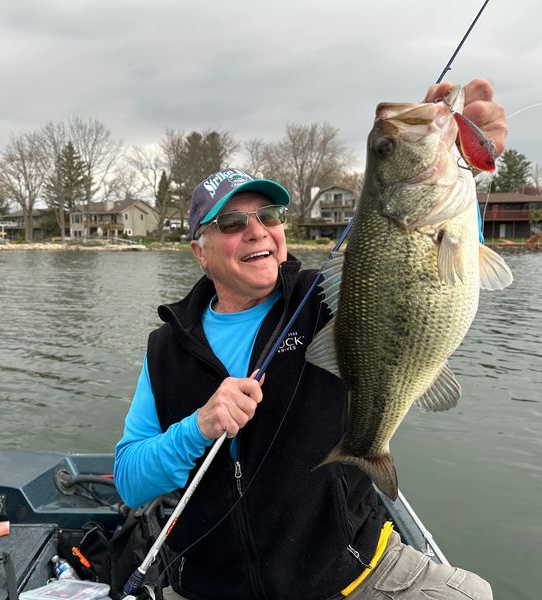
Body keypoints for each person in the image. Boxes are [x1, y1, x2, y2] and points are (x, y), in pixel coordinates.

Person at [114, 79, 507, 600]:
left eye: (268, 217)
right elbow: (129, 479)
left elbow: (434, 261)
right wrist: (199, 427)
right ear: (199, 251)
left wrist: (470, 161)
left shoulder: (327, 300)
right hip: (211, 586)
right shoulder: (168, 349)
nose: (257, 230)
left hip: (354, 571)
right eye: (232, 222)